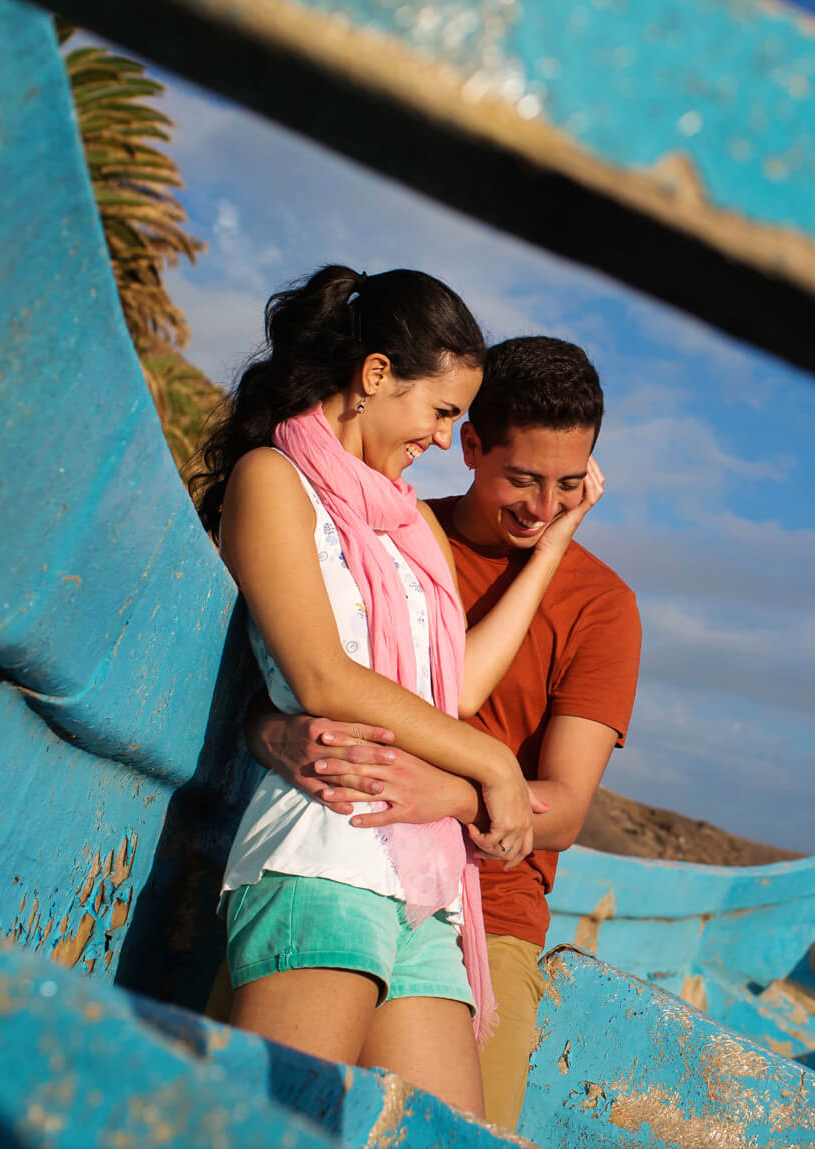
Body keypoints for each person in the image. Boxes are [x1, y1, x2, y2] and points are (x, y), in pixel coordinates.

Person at [189, 268, 601, 1115]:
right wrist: (491, 760)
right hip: (323, 854)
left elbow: (450, 684)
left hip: (425, 887)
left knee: (447, 1137)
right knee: (268, 1133)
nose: (446, 440)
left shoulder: (404, 519)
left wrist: (554, 545)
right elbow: (322, 678)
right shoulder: (274, 481)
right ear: (375, 376)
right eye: (442, 411)